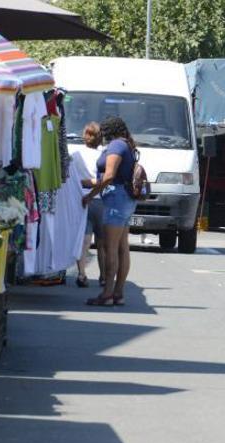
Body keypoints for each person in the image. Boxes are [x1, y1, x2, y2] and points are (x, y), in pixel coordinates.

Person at [82, 116, 137, 306]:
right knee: (122, 248)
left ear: (107, 131)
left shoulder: (115, 146)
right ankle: (118, 293)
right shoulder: (127, 145)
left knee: (110, 248)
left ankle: (106, 294)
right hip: (126, 199)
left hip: (116, 199)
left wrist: (90, 195)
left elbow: (109, 176)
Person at [72, 122, 105, 288]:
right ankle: (103, 275)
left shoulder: (75, 155)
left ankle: (82, 273)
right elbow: (104, 180)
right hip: (101, 200)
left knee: (84, 240)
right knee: (102, 241)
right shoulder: (104, 155)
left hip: (82, 201)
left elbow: (72, 180)